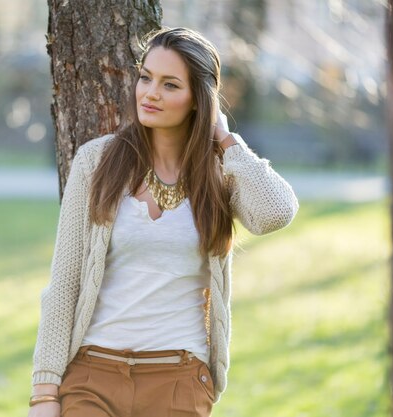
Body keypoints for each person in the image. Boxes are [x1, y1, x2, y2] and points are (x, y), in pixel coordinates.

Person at [27, 27, 299, 417]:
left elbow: (276, 212)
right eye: (146, 77)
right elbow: (64, 284)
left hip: (178, 380)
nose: (150, 93)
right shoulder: (96, 161)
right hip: (92, 377)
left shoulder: (220, 173)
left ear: (197, 101)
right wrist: (45, 392)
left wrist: (224, 138)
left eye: (170, 85)